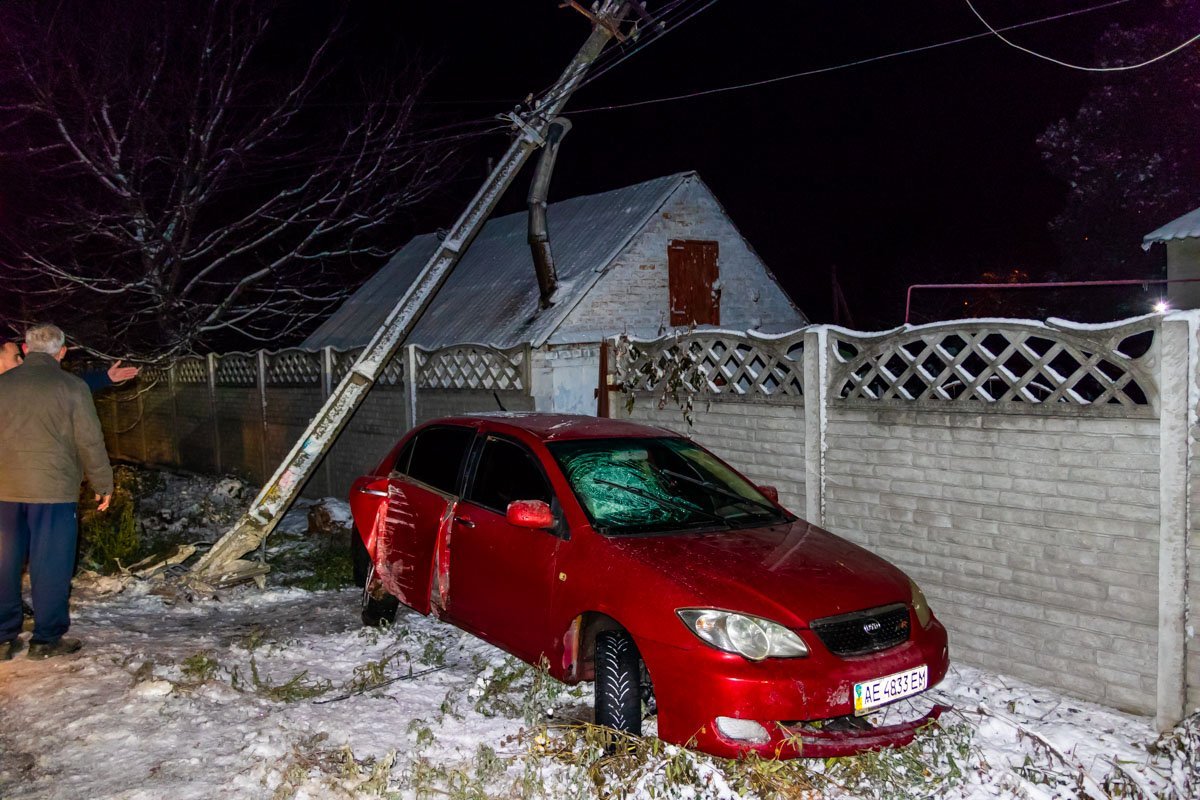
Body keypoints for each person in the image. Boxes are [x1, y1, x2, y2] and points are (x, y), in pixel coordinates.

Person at [0, 324, 114, 660]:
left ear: (26, 347)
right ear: (62, 353)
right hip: (54, 492)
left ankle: (4, 638)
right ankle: (46, 640)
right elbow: (90, 441)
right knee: (50, 564)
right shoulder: (72, 387)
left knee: (3, 561)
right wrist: (103, 483)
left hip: (4, 490)